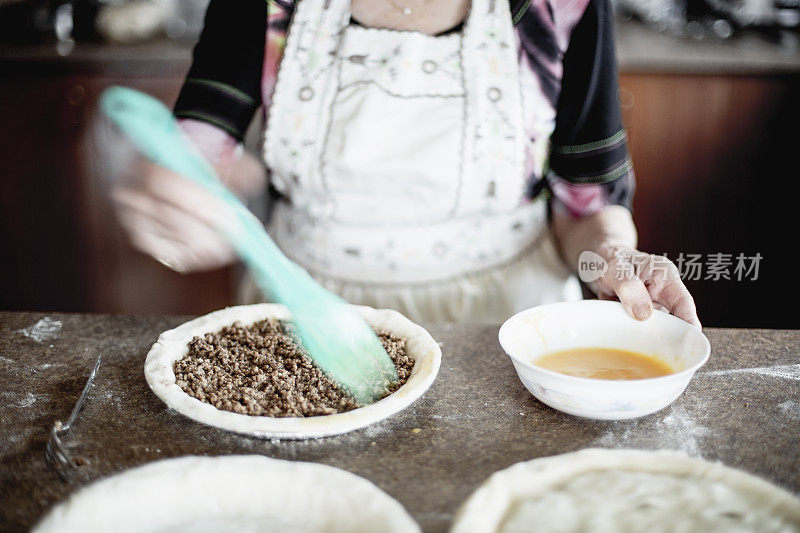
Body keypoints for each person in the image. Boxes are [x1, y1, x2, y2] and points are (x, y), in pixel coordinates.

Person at [112, 0, 700, 327]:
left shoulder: (558, 7)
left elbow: (587, 211)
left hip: (510, 325)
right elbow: (195, 152)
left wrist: (613, 258)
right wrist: (178, 193)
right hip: (304, 320)